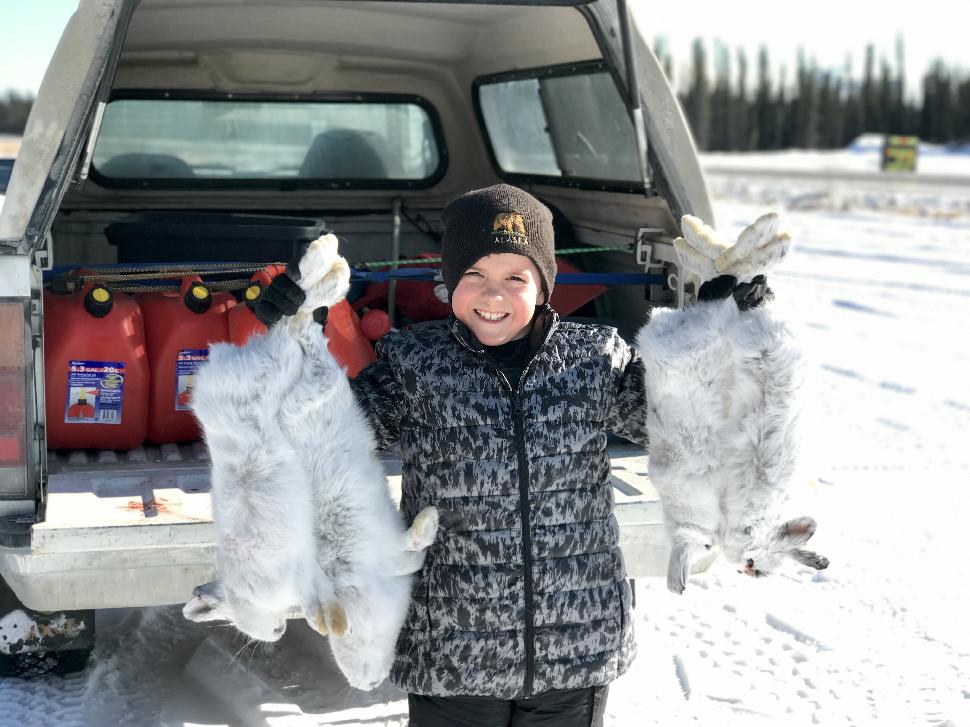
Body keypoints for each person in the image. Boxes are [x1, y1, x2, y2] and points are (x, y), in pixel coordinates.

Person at [254, 184, 768, 726]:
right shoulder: (416, 364)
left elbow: (688, 422)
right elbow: (324, 436)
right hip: (452, 654)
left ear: (544, 286)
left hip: (574, 651)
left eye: (515, 278)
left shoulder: (594, 358)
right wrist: (292, 339)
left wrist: (735, 330)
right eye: (474, 275)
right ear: (450, 281)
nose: (492, 296)